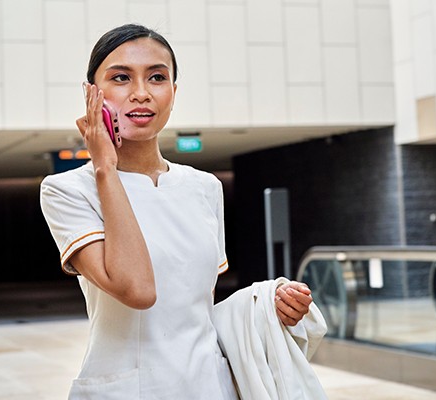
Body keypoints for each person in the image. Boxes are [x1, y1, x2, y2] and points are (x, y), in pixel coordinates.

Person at [40, 23, 315, 399]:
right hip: (128, 390)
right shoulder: (68, 190)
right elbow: (137, 290)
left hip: (209, 387)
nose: (141, 93)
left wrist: (268, 306)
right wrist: (105, 167)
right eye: (121, 78)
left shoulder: (204, 188)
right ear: (92, 94)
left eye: (157, 77)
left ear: (173, 91)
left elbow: (198, 309)